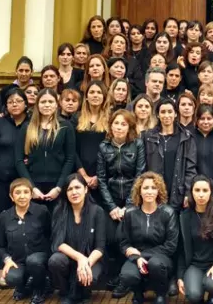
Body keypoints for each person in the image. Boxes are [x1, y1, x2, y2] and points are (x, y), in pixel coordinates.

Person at [97, 109, 146, 294]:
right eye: (116, 123)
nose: (119, 127)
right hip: (110, 199)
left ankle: (125, 279)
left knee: (125, 238)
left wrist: (128, 206)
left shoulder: (137, 144)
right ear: (110, 125)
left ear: (130, 127)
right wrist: (111, 207)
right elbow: (101, 178)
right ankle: (116, 275)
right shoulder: (104, 146)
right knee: (111, 238)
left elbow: (139, 176)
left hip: (132, 200)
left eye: (123, 124)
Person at [117, 172, 179, 304]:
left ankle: (161, 294)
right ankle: (138, 293)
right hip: (136, 258)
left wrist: (141, 256)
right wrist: (136, 258)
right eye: (145, 188)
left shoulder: (168, 213)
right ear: (139, 191)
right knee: (127, 275)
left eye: (153, 187)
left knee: (155, 264)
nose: (149, 191)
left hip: (161, 257)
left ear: (159, 191)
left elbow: (171, 245)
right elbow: (124, 243)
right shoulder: (130, 213)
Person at [48, 174, 107, 304]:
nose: (74, 192)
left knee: (90, 276)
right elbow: (58, 243)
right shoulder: (59, 210)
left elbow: (100, 247)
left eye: (77, 187)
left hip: (91, 259)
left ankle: (84, 291)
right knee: (55, 261)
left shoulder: (97, 211)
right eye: (69, 189)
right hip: (68, 259)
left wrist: (86, 263)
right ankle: (65, 292)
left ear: (86, 189)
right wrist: (79, 258)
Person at [14, 88, 76, 212]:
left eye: (50, 102)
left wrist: (59, 187)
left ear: (56, 104)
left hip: (57, 185)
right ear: (37, 104)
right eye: (43, 102)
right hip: (34, 185)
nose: (47, 105)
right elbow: (19, 160)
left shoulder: (65, 126)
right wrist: (31, 187)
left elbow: (70, 158)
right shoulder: (27, 127)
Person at [0, 88, 29, 261]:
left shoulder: (32, 123)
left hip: (24, 182)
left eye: (18, 101)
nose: (15, 104)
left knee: (23, 221)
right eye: (11, 101)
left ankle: (22, 259)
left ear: (26, 104)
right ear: (5, 105)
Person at [178, 175, 213, 304]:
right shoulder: (185, 216)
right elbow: (181, 250)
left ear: (211, 192)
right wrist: (180, 276)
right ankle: (199, 293)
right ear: (191, 192)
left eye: (205, 190)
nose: (201, 195)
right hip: (195, 265)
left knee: (211, 285)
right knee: (193, 296)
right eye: (197, 190)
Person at [0, 178, 50, 303]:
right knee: (11, 278)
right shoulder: (4, 216)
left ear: (31, 195)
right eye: (18, 192)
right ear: (11, 196)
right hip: (17, 261)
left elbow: (50, 235)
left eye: (26, 192)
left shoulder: (41, 211)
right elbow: (0, 246)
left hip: (39, 259)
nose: (22, 196)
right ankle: (23, 286)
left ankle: (39, 289)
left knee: (34, 261)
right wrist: (7, 260)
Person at [143, 98, 197, 211]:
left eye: (170, 111)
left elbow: (190, 168)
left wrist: (188, 192)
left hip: (178, 193)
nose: (166, 115)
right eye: (163, 112)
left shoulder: (186, 137)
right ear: (157, 115)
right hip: (154, 192)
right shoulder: (148, 137)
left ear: (175, 113)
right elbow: (143, 167)